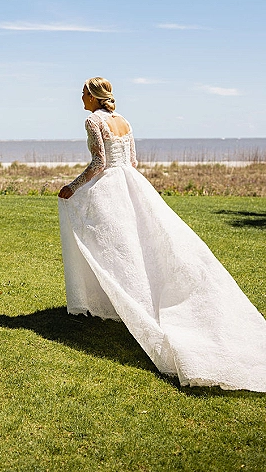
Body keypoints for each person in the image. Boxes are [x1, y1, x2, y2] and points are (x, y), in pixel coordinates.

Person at [58, 77, 266, 391]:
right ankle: (124, 300)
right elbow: (133, 161)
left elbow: (100, 162)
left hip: (111, 187)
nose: (80, 97)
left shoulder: (92, 121)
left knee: (112, 248)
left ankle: (126, 302)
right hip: (134, 183)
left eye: (83, 92)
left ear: (93, 96)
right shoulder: (124, 121)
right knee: (140, 245)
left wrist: (72, 187)